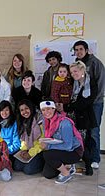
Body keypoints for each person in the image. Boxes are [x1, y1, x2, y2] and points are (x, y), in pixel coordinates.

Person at [73, 40, 105, 169]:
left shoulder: (96, 63)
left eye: (81, 49)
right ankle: (85, 155)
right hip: (82, 104)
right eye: (76, 49)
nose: (78, 52)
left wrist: (91, 102)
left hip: (95, 104)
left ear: (87, 50)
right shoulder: (77, 64)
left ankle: (95, 158)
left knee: (94, 131)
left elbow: (101, 85)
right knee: (82, 131)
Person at [64, 61, 97, 175]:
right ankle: (72, 164)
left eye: (75, 71)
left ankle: (88, 165)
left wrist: (68, 106)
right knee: (73, 141)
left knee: (83, 141)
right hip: (72, 117)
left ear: (82, 70)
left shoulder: (91, 83)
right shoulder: (73, 83)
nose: (73, 74)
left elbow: (85, 102)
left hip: (84, 118)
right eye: (72, 72)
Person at [40, 100, 84, 184]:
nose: (46, 112)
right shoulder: (46, 121)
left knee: (47, 154)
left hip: (74, 151)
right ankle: (68, 166)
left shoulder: (64, 123)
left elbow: (68, 146)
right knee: (48, 174)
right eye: (43, 110)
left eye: (48, 109)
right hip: (61, 150)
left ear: (54, 109)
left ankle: (66, 173)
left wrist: (48, 146)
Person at [13, 99, 44, 175]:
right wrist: (24, 150)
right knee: (17, 167)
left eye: (26, 108)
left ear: (31, 108)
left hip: (39, 150)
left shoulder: (39, 119)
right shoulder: (23, 121)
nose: (24, 112)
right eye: (22, 110)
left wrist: (30, 153)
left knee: (28, 170)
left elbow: (42, 142)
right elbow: (23, 139)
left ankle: (43, 164)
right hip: (28, 148)